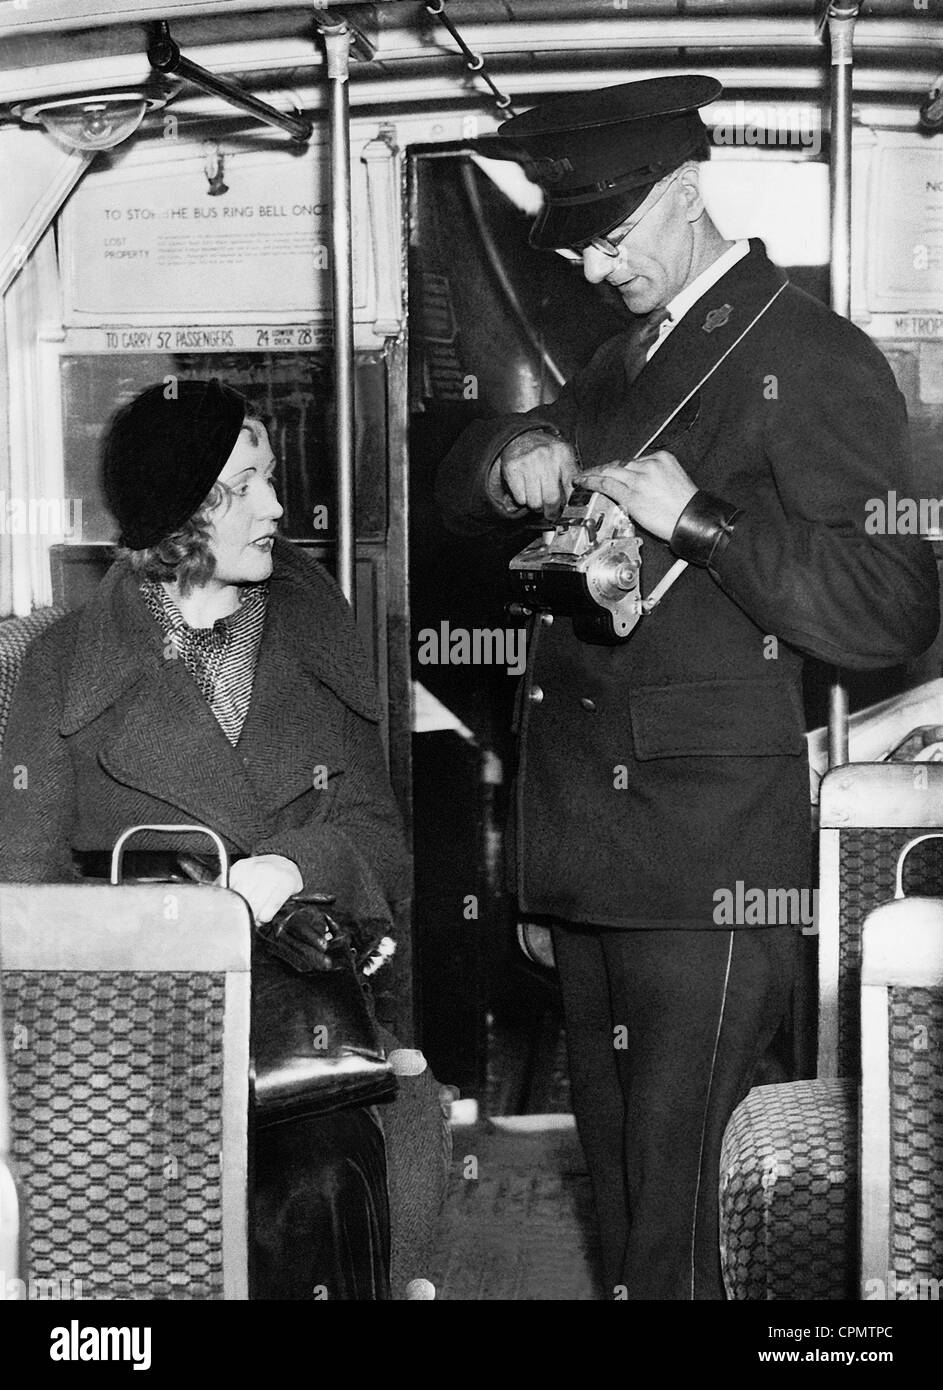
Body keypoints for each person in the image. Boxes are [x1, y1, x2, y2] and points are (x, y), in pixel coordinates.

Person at [436, 76, 941, 1300]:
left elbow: (894, 600)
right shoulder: (624, 355)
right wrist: (518, 457)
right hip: (599, 846)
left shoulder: (807, 351)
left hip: (705, 853)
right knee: (626, 1209)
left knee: (678, 1220)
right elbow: (465, 473)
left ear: (684, 193)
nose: (599, 267)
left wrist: (702, 522)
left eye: (615, 238)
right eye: (578, 246)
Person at [0, 378, 446, 1300]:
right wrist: (170, 930)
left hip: (302, 1016)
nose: (279, 506)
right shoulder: (60, 666)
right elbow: (23, 894)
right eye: (247, 484)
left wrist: (292, 865)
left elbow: (384, 845)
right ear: (186, 509)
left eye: (271, 479)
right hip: (126, 1035)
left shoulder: (319, 641)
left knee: (317, 1187)